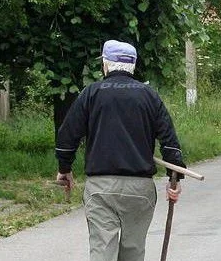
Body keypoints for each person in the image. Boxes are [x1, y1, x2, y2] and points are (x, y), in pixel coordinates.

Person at [55, 39, 186, 261]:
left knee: (102, 251)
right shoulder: (149, 95)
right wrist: (176, 178)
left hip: (101, 188)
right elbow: (169, 141)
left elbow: (68, 136)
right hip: (139, 189)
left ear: (106, 64)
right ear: (132, 66)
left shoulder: (92, 93)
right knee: (133, 251)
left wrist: (64, 168)